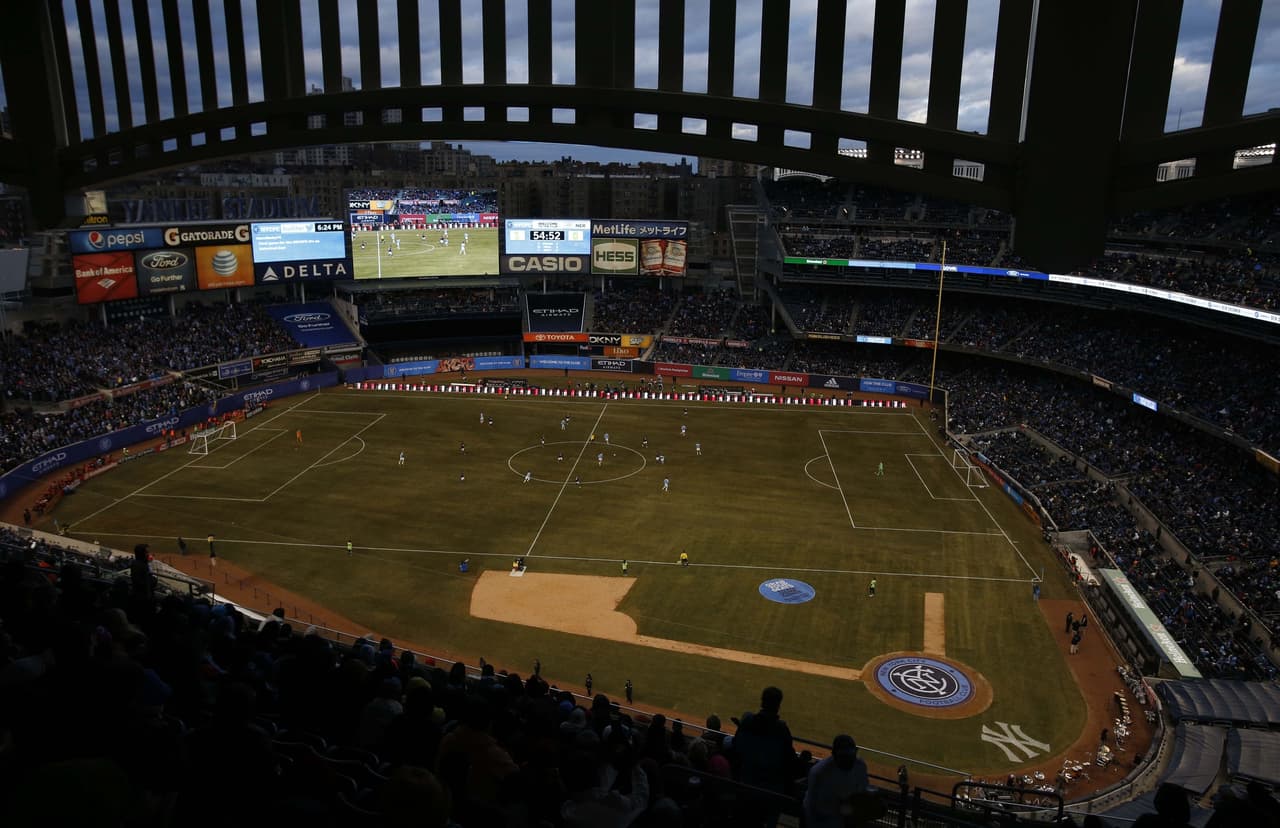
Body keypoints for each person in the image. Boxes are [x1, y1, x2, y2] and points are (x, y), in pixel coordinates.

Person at [804, 734, 873, 828]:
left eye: (851, 755)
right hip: (822, 821)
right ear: (834, 755)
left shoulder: (860, 766)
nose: (848, 760)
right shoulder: (820, 773)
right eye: (844, 756)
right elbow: (814, 809)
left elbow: (862, 793)